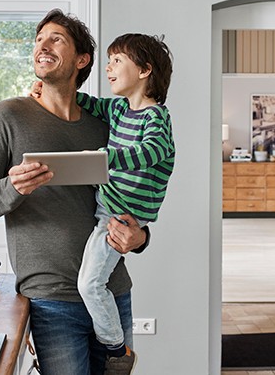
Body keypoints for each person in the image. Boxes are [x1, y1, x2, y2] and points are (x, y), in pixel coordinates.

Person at [0, 9, 150, 375]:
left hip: (112, 292)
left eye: (56, 38)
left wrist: (140, 237)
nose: (42, 45)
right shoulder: (9, 117)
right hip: (51, 302)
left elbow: (135, 194)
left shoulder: (105, 124)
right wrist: (11, 187)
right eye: (38, 39)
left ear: (82, 60)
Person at [72, 33, 175, 374]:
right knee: (90, 282)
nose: (108, 67)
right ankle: (115, 345)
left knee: (89, 284)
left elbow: (151, 152)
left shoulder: (156, 118)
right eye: (109, 61)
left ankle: (117, 348)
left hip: (119, 218)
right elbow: (91, 104)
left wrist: (107, 158)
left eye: (117, 61)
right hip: (108, 208)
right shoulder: (117, 108)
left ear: (145, 70)